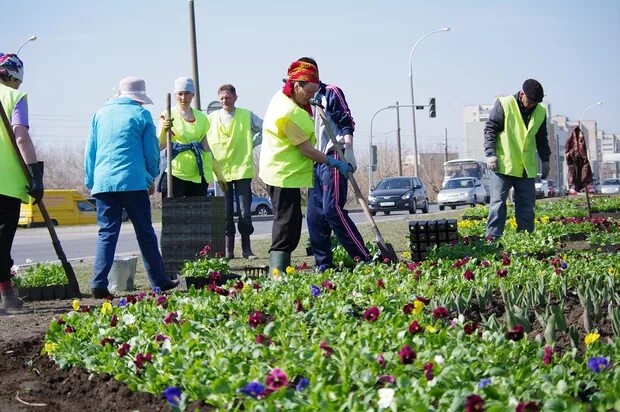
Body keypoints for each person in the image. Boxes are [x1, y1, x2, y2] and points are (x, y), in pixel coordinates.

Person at [84, 76, 178, 298]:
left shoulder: (99, 114)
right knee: (145, 232)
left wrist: (91, 181)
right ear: (139, 98)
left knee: (107, 233)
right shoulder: (141, 114)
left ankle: (98, 282)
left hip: (104, 183)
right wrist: (150, 178)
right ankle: (159, 280)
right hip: (133, 182)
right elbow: (152, 152)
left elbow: (91, 151)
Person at [259, 60, 350, 275]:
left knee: (290, 221)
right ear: (297, 86)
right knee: (286, 223)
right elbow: (306, 149)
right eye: (308, 92)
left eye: (315, 92)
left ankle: (281, 268)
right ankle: (277, 272)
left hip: (285, 171)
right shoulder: (290, 112)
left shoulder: (283, 97)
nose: (311, 96)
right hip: (282, 173)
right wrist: (332, 161)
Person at [297, 57, 371, 269]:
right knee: (314, 217)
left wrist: (349, 150)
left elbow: (346, 122)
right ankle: (324, 266)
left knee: (332, 210)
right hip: (315, 161)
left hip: (334, 155)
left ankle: (363, 258)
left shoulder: (331, 92)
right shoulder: (300, 101)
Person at [0, 53, 43, 309]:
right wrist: (35, 173)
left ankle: (7, 296)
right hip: (6, 183)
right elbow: (21, 137)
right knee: (2, 242)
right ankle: (6, 297)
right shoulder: (14, 97)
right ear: (15, 76)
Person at [484, 78, 551, 238]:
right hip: (502, 165)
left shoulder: (540, 111)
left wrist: (546, 159)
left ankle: (525, 241)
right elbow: (490, 129)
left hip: (526, 169)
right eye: (530, 101)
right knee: (497, 204)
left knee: (526, 207)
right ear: (522, 94)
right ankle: (492, 240)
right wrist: (490, 154)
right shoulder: (504, 104)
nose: (532, 105)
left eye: (536, 102)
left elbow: (542, 138)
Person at [207, 84, 262, 259]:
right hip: (221, 171)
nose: (225, 101)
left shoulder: (247, 115)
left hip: (242, 170)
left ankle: (247, 249)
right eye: (221, 98)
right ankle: (228, 251)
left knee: (245, 212)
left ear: (235, 98)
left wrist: (252, 143)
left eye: (228, 97)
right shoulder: (211, 118)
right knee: (225, 213)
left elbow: (266, 128)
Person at [158, 77, 226, 197]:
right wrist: (164, 130)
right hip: (175, 172)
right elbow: (160, 145)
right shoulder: (167, 114)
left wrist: (218, 173)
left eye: (187, 93)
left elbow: (206, 148)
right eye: (180, 94)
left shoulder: (201, 118)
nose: (183, 98)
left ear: (192, 94)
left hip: (197, 173)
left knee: (197, 213)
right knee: (173, 213)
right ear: (175, 95)